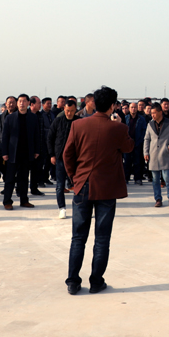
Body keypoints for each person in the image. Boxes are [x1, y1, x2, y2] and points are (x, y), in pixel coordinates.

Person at [63, 86, 134, 295]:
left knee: (78, 237)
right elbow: (129, 147)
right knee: (102, 239)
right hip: (107, 188)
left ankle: (73, 281)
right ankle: (96, 281)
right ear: (112, 106)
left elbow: (67, 154)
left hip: (82, 184)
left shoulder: (78, 124)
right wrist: (119, 124)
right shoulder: (118, 128)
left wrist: (75, 178)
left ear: (94, 103)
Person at [0, 94, 41, 210]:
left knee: (24, 178)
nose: (22, 103)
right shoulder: (10, 118)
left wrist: (37, 150)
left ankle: (24, 200)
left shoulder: (33, 117)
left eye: (24, 101)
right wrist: (4, 152)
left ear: (28, 103)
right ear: (17, 104)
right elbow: (5, 137)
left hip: (27, 153)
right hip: (13, 153)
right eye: (20, 101)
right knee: (10, 179)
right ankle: (7, 201)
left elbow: (37, 135)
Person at [48, 99, 80, 218]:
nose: (69, 113)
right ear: (64, 109)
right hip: (60, 158)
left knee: (78, 185)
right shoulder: (58, 121)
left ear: (75, 110)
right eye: (67, 111)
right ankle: (62, 208)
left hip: (75, 159)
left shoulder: (79, 122)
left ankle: (79, 208)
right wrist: (52, 154)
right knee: (60, 185)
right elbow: (50, 138)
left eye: (71, 111)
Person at [144, 103, 169, 207]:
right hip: (153, 155)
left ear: (160, 112)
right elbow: (147, 139)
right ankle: (158, 199)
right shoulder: (150, 124)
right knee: (155, 180)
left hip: (165, 154)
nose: (152, 115)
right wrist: (146, 152)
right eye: (151, 113)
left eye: (154, 113)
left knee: (167, 178)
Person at [0, 96, 17, 183]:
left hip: (14, 144)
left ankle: (9, 180)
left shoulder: (18, 116)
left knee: (11, 164)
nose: (11, 104)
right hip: (2, 142)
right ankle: (6, 176)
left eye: (13, 102)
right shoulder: (2, 116)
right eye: (9, 102)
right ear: (6, 104)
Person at [123, 102, 147, 185]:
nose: (133, 109)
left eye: (135, 107)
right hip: (127, 144)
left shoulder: (141, 119)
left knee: (137, 162)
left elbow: (144, 130)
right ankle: (126, 178)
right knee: (127, 162)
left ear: (137, 108)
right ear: (129, 109)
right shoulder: (125, 118)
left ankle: (138, 178)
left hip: (138, 143)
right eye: (132, 107)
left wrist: (140, 141)